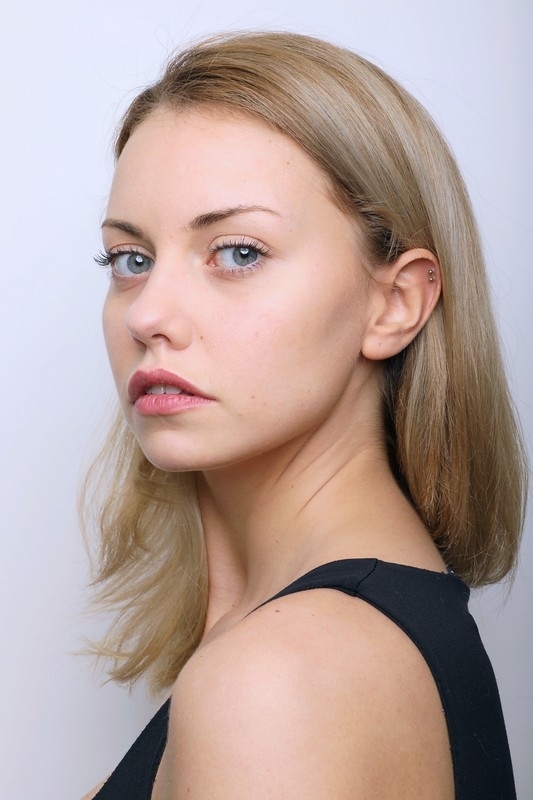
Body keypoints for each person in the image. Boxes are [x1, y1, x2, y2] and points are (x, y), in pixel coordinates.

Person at [82, 30, 527, 800]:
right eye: (131, 259)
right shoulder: (325, 639)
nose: (148, 314)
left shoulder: (279, 681)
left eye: (238, 252)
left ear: (395, 303)